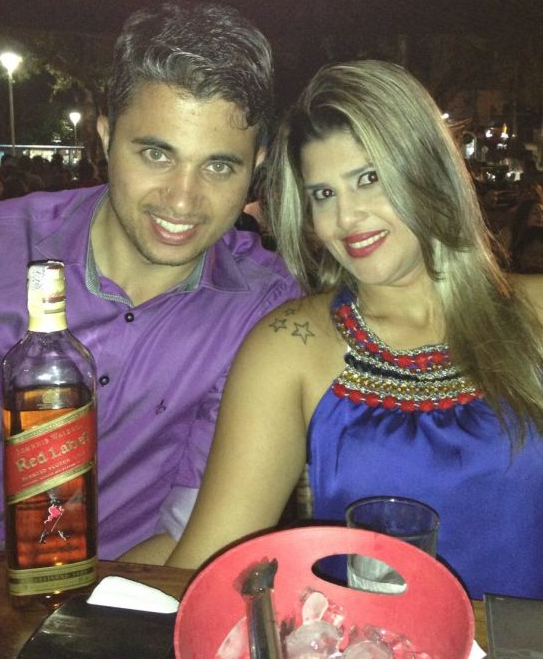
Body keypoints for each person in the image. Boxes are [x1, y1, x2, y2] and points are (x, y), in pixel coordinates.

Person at [0, 2, 303, 561]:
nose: (182, 199)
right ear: (105, 135)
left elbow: (194, 539)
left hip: (127, 592)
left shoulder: (263, 311)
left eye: (218, 166)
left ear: (255, 165)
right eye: (155, 153)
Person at [164, 60, 543, 600]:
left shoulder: (536, 313)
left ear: (428, 170)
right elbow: (211, 570)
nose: (346, 218)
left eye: (368, 179)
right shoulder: (288, 347)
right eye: (324, 194)